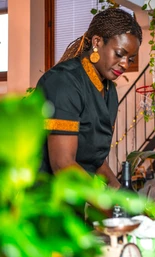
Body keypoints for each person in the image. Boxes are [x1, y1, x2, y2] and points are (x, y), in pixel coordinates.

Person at [37, 8, 142, 189]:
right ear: (97, 42)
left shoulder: (110, 93)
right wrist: (110, 207)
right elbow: (62, 165)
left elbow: (95, 161)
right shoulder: (64, 81)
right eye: (119, 54)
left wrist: (122, 196)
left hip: (74, 201)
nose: (125, 64)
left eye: (130, 59)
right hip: (42, 203)